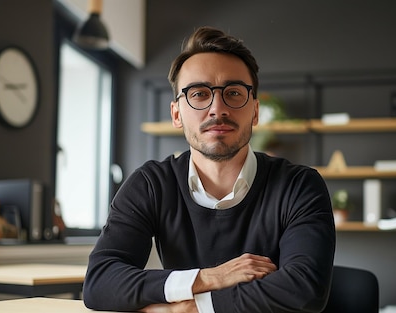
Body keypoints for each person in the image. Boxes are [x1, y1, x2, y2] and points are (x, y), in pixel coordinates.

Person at [83, 26, 336, 313]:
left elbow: (305, 290)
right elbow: (100, 283)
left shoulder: (299, 185)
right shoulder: (150, 184)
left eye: (233, 93)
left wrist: (191, 308)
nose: (217, 108)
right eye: (199, 94)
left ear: (254, 111)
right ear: (177, 114)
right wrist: (210, 277)